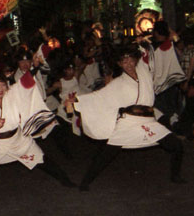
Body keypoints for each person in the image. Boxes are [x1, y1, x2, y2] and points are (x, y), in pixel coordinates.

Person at [66, 43, 185, 191]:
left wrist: (148, 44)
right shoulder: (118, 83)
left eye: (130, 60)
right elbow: (98, 96)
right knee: (107, 155)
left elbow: (153, 57)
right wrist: (77, 101)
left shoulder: (144, 72)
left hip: (149, 121)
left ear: (135, 60)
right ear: (119, 64)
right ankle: (85, 182)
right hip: (129, 121)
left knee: (176, 146)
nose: (128, 64)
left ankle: (175, 175)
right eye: (124, 61)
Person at [0, 71, 73, 197]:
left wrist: (35, 67)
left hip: (18, 140)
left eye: (3, 85)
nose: (0, 89)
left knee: (41, 159)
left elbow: (22, 85)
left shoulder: (10, 94)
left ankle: (66, 181)